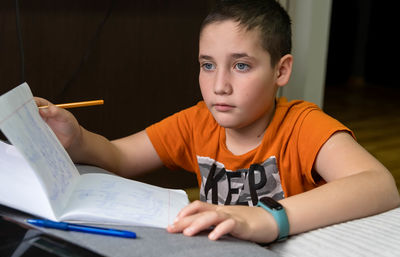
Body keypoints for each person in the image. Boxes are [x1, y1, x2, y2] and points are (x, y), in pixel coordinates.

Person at [35, 0, 400, 244]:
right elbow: (119, 156)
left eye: (241, 66)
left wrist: (268, 219)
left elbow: (380, 185)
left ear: (281, 70)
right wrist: (77, 138)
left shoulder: (302, 125)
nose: (220, 85)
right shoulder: (197, 122)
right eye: (207, 65)